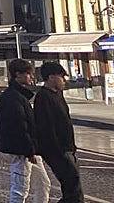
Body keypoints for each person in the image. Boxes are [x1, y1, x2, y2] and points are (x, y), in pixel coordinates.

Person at [0, 58, 49, 203]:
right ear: (18, 75)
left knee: (43, 184)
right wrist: (29, 150)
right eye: (29, 74)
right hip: (22, 150)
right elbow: (18, 125)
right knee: (20, 188)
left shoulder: (19, 96)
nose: (32, 77)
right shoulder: (12, 97)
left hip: (29, 148)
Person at [33, 62, 82, 203]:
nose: (64, 80)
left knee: (73, 188)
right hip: (58, 151)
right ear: (51, 77)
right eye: (61, 77)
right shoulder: (43, 97)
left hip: (68, 148)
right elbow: (46, 127)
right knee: (72, 188)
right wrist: (59, 150)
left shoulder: (57, 95)